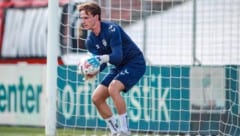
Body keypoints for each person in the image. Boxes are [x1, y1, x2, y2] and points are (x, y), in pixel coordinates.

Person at [78, 2, 146, 136]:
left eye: (86, 18)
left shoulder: (112, 29)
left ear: (96, 17)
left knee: (113, 88)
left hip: (134, 63)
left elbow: (117, 56)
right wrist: (93, 70)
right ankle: (115, 131)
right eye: (81, 18)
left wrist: (101, 59)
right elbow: (102, 63)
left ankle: (125, 131)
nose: (83, 21)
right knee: (96, 98)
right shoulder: (90, 41)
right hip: (118, 66)